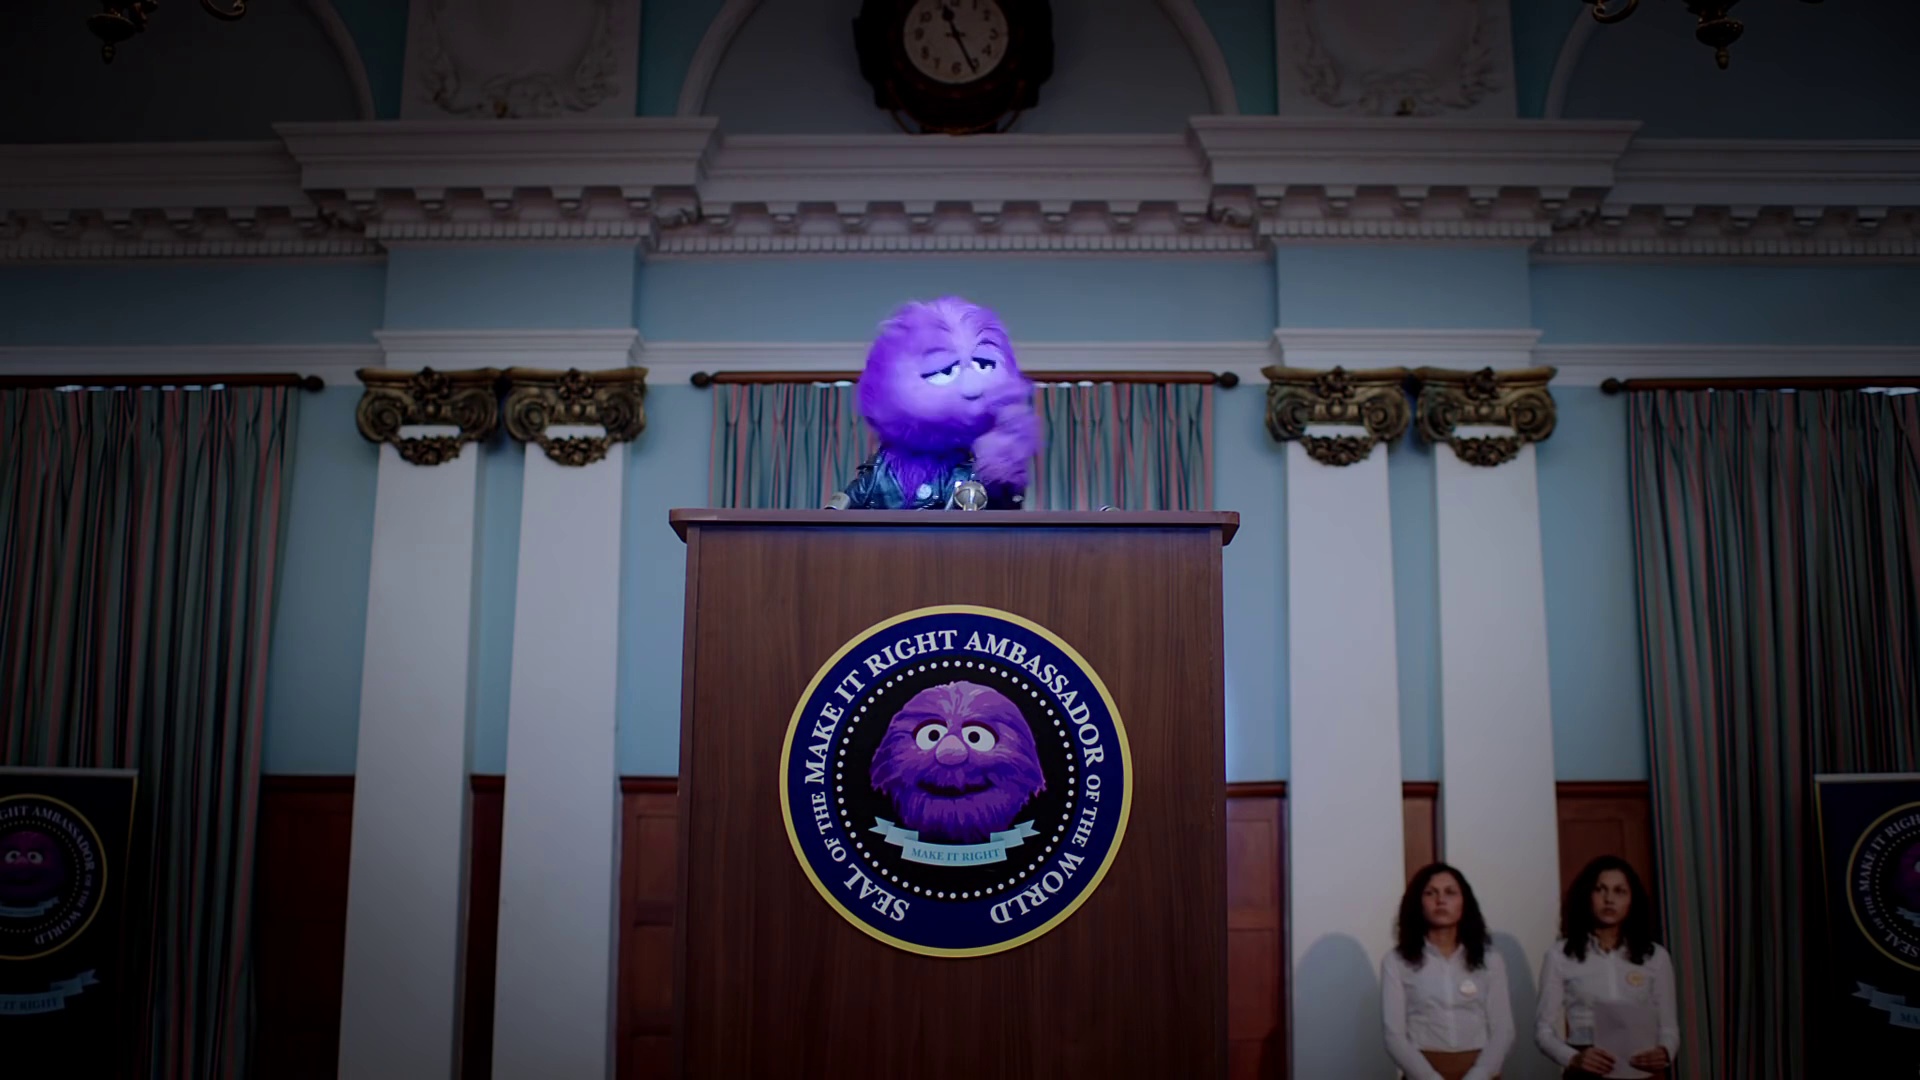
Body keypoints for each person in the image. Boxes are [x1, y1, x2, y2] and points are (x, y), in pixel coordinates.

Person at [1535, 855, 1679, 1078]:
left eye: (1619, 891)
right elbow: (1543, 1030)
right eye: (1600, 890)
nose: (1609, 899)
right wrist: (1572, 1057)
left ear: (1632, 899)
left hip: (1640, 1068)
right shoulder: (1560, 955)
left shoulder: (1656, 957)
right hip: (1586, 1068)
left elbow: (1669, 1027)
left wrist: (1665, 1051)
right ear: (1587, 896)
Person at [1382, 863, 1514, 1080]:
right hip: (1422, 1072)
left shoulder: (1490, 959)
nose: (1440, 900)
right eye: (1430, 893)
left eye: (1450, 892)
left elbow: (1503, 1030)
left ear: (1464, 902)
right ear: (1418, 903)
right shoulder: (1397, 961)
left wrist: (1479, 1075)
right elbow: (1394, 1035)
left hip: (1480, 1071)